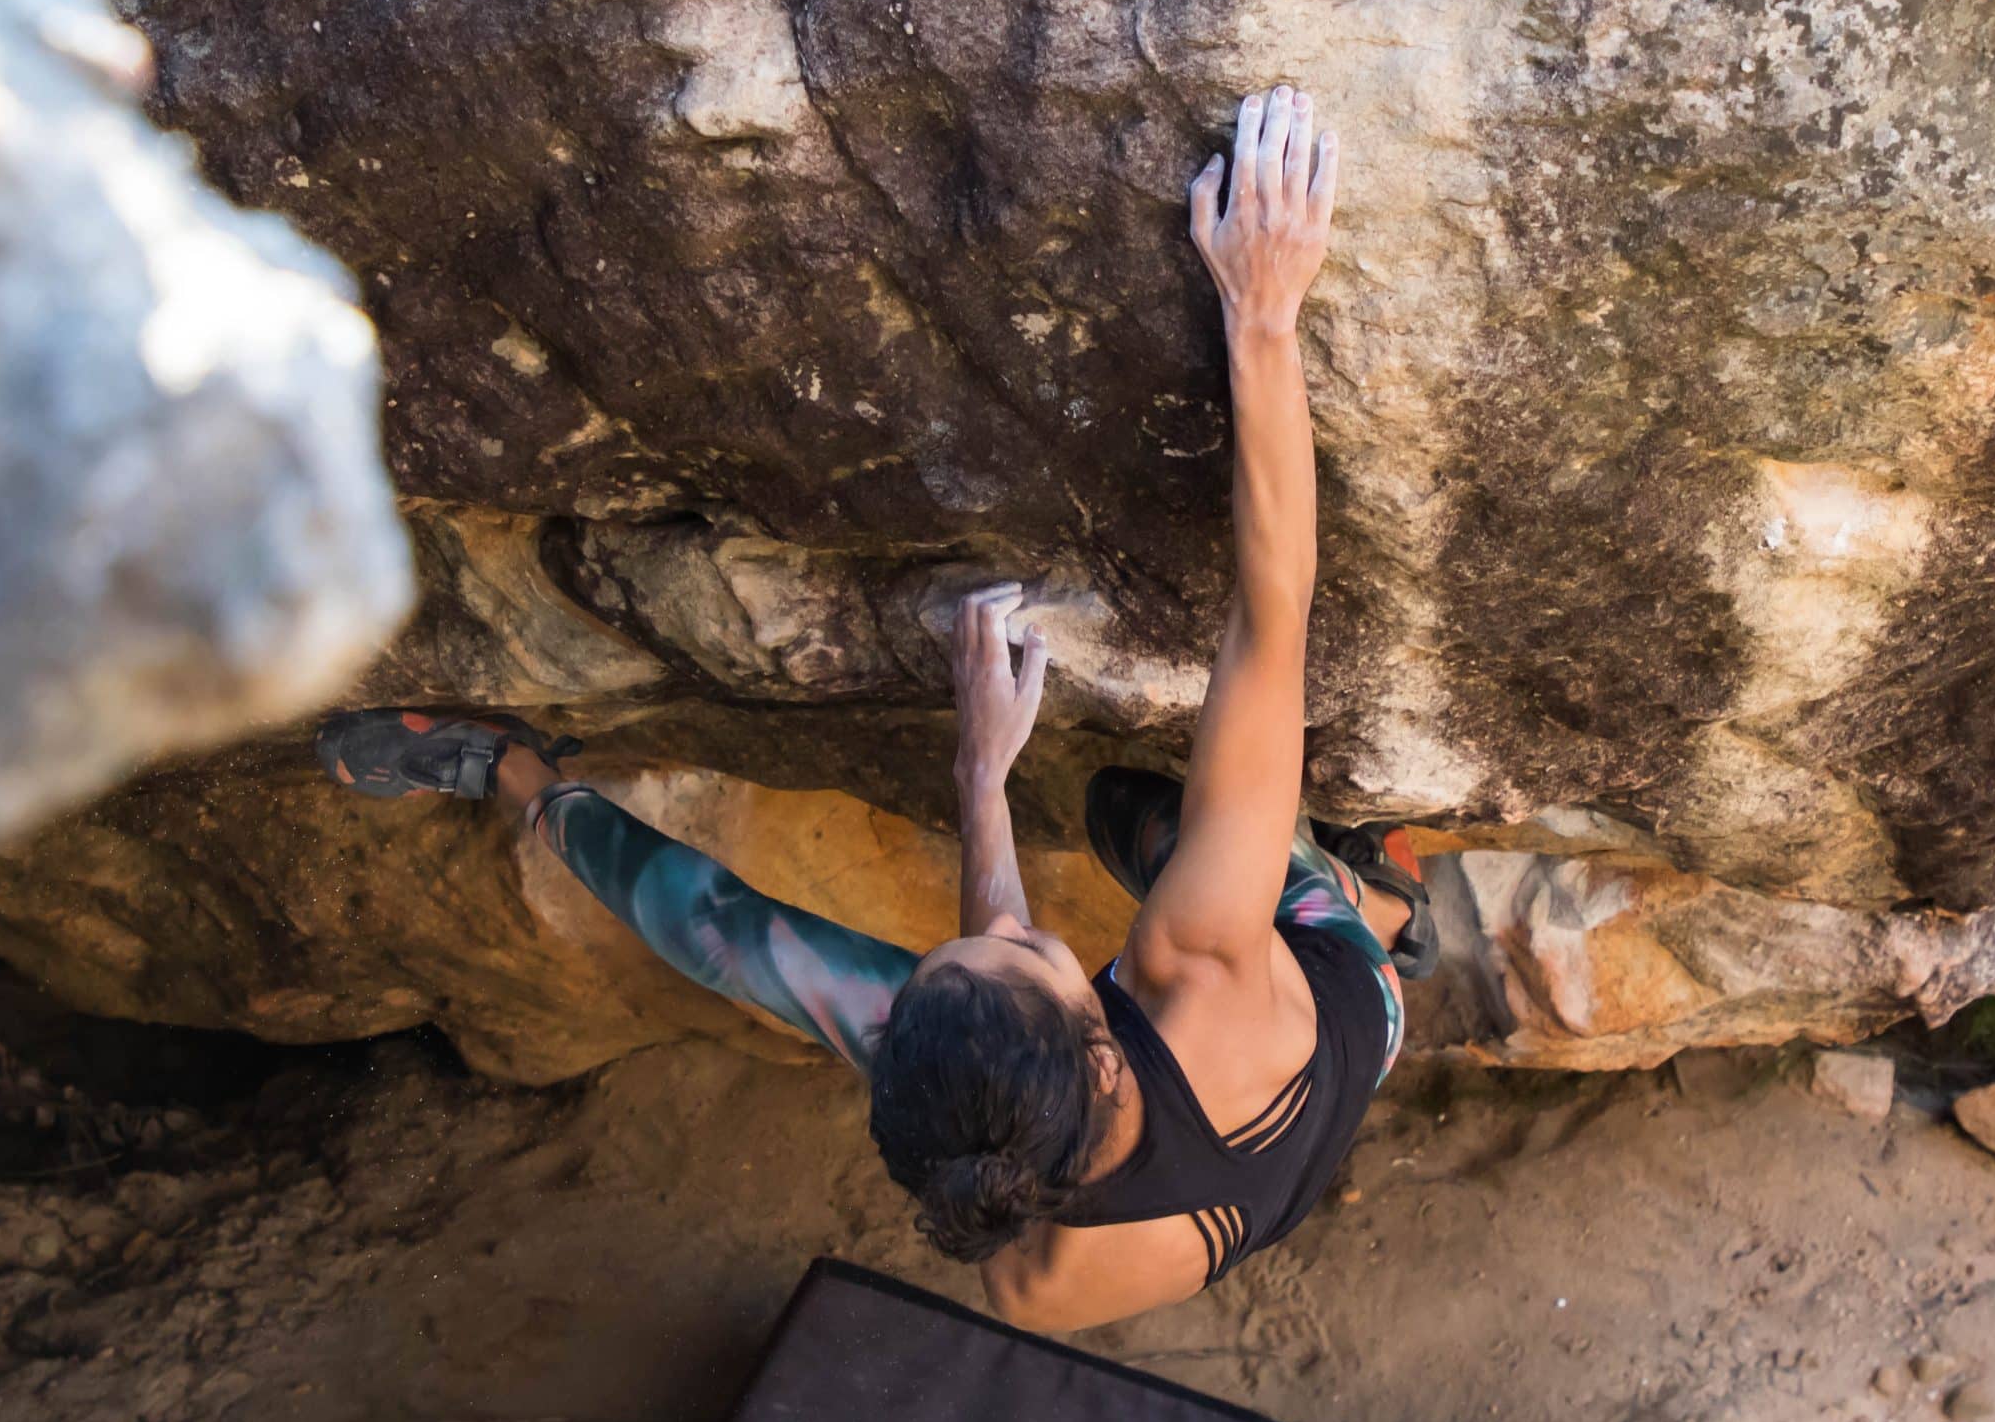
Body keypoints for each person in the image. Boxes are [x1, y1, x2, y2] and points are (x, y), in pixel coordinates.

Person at [315, 87, 1433, 1331]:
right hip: (1337, 1015)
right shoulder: (1198, 962)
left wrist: (980, 779)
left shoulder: (1033, 1269)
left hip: (1191, 1128)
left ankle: (521, 781)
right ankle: (1379, 902)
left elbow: (1006, 985)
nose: (1000, 917)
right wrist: (1264, 314)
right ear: (1102, 1047)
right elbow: (1271, 615)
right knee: (1143, 815)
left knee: (757, 954)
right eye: (1016, 947)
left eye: (974, 943)